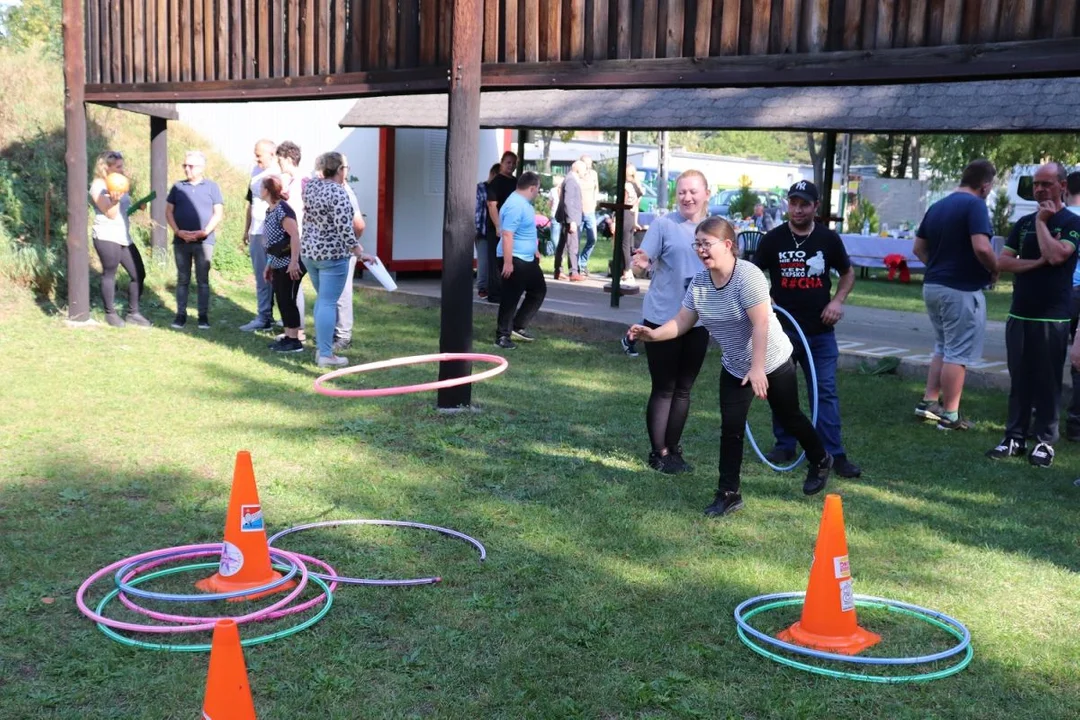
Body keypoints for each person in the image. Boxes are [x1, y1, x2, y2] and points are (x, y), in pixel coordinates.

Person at [629, 216, 834, 517]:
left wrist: (759, 368)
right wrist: (654, 334)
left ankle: (820, 459)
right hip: (736, 365)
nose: (700, 250)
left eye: (706, 244)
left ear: (727, 245)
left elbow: (761, 323)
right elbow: (683, 321)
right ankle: (728, 493)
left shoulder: (747, 276)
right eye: (696, 244)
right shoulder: (700, 282)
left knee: (790, 416)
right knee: (731, 429)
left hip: (772, 360)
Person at [755, 181, 861, 479]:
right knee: (782, 391)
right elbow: (752, 272)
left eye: (804, 204)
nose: (798, 209)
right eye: (793, 203)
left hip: (819, 332)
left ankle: (833, 454)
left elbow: (847, 272)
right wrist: (765, 297)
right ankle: (785, 445)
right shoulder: (774, 239)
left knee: (824, 392)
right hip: (782, 331)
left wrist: (837, 301)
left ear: (816, 207)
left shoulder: (828, 239)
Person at [986, 163, 1080, 468]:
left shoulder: (1070, 222)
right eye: (1036, 184)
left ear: (1062, 185)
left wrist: (1043, 223)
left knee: (1048, 381)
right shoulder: (1022, 222)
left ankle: (1044, 442)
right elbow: (1002, 262)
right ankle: (1014, 436)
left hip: (1052, 317)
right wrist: (1037, 262)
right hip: (1020, 314)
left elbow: (1058, 255)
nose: (1040, 189)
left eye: (1047, 184)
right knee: (1020, 379)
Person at [627, 170, 711, 474]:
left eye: (693, 192)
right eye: (682, 192)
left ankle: (674, 450)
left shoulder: (712, 229)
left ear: (706, 194)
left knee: (684, 389)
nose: (687, 197)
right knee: (664, 388)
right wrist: (641, 262)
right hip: (662, 319)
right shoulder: (664, 225)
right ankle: (658, 452)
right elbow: (644, 257)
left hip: (698, 323)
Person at [912, 159, 998, 430]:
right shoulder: (975, 205)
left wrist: (938, 266)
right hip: (960, 290)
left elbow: (918, 248)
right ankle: (950, 415)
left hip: (933, 285)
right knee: (957, 353)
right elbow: (982, 247)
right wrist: (995, 269)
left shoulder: (938, 206)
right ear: (985, 186)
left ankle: (928, 401)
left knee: (943, 346)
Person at [301, 152, 374, 367]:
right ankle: (326, 354)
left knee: (323, 301)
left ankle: (322, 349)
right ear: (340, 170)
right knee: (327, 302)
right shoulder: (339, 193)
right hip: (333, 256)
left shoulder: (311, 187)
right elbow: (345, 228)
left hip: (310, 254)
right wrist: (360, 252)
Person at [88, 150, 150, 328]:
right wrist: (114, 201)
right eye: (118, 167)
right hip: (106, 236)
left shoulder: (119, 182)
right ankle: (110, 314)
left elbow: (124, 210)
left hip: (124, 237)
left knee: (138, 273)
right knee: (110, 273)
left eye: (122, 166)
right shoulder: (98, 185)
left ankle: (133, 313)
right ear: (105, 168)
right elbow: (110, 213)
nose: (123, 170)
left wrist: (138, 206)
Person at [166, 150, 224, 330]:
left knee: (202, 280)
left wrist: (205, 232)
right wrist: (177, 231)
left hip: (204, 241)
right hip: (181, 240)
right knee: (182, 278)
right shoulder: (177, 187)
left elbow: (218, 213)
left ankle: (203, 316)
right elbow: (168, 211)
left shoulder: (211, 186)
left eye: (190, 166)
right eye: (184, 165)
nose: (186, 169)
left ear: (201, 168)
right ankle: (180, 315)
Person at [494, 172, 547, 349]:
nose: (537, 193)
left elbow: (527, 230)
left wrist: (535, 250)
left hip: (527, 258)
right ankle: (502, 336)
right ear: (532, 188)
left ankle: (518, 326)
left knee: (538, 290)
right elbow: (507, 234)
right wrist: (508, 263)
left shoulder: (523, 204)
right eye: (537, 190)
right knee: (510, 297)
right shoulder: (516, 205)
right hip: (514, 258)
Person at [259, 176, 306, 353]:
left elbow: (294, 235)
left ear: (268, 189)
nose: (259, 189)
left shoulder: (282, 210)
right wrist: (269, 265)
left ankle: (295, 341)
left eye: (261, 186)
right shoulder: (269, 211)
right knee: (282, 299)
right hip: (277, 262)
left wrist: (294, 262)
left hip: (289, 264)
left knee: (288, 299)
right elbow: (274, 243)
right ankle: (288, 336)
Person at [240, 139, 281, 331]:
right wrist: (246, 228)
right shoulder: (255, 172)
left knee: (279, 275)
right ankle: (264, 317)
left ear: (271, 154)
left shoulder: (279, 173)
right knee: (261, 276)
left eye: (259, 155)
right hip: (256, 231)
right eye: (255, 155)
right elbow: (252, 202)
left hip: (275, 232)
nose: (256, 159)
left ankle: (287, 318)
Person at [274, 140, 307, 340]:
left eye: (280, 160)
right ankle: (292, 330)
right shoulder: (293, 182)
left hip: (299, 239)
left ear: (288, 159)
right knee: (290, 289)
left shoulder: (304, 181)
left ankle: (298, 332)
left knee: (292, 286)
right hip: (292, 240)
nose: (279, 164)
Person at [484, 152, 519, 304]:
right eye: (508, 163)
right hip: (497, 228)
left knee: (509, 259)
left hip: (511, 228)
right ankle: (495, 294)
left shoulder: (516, 183)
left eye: (513, 163)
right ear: (502, 163)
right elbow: (492, 205)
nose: (510, 166)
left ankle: (507, 291)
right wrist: (498, 226)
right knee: (496, 260)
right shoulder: (496, 182)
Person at [1065, 171, 1080, 442]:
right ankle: (1075, 423)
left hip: (1059, 293)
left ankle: (1040, 413)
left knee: (1050, 353)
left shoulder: (1059, 219)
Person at [553, 161, 585, 282]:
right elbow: (569, 201)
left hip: (566, 218)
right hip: (570, 219)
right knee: (573, 245)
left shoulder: (569, 179)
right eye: (584, 169)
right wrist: (572, 220)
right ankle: (574, 272)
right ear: (577, 169)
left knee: (562, 245)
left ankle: (558, 270)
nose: (585, 171)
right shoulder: (571, 180)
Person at [616, 164, 645, 288]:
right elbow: (636, 206)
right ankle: (627, 272)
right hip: (632, 215)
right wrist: (635, 221)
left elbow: (622, 202)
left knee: (623, 245)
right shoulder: (637, 187)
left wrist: (614, 218)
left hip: (625, 214)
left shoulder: (626, 186)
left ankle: (627, 271)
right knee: (628, 245)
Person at [475, 163, 499, 298]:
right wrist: (477, 228)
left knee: (489, 260)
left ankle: (489, 286)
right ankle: (483, 287)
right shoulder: (482, 189)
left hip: (491, 229)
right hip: (483, 230)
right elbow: (476, 211)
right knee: (484, 260)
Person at [577, 154, 600, 275]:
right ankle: (576, 267)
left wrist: (594, 202)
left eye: (590, 164)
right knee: (576, 240)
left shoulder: (593, 174)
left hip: (590, 211)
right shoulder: (577, 175)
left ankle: (583, 261)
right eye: (586, 163)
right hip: (579, 212)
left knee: (593, 238)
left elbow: (596, 189)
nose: (588, 166)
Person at [546, 175, 563, 257]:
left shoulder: (553, 190)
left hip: (554, 214)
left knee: (554, 236)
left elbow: (550, 203)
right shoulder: (564, 190)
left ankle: (558, 253)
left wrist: (548, 210)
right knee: (560, 235)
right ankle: (559, 252)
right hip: (563, 215)